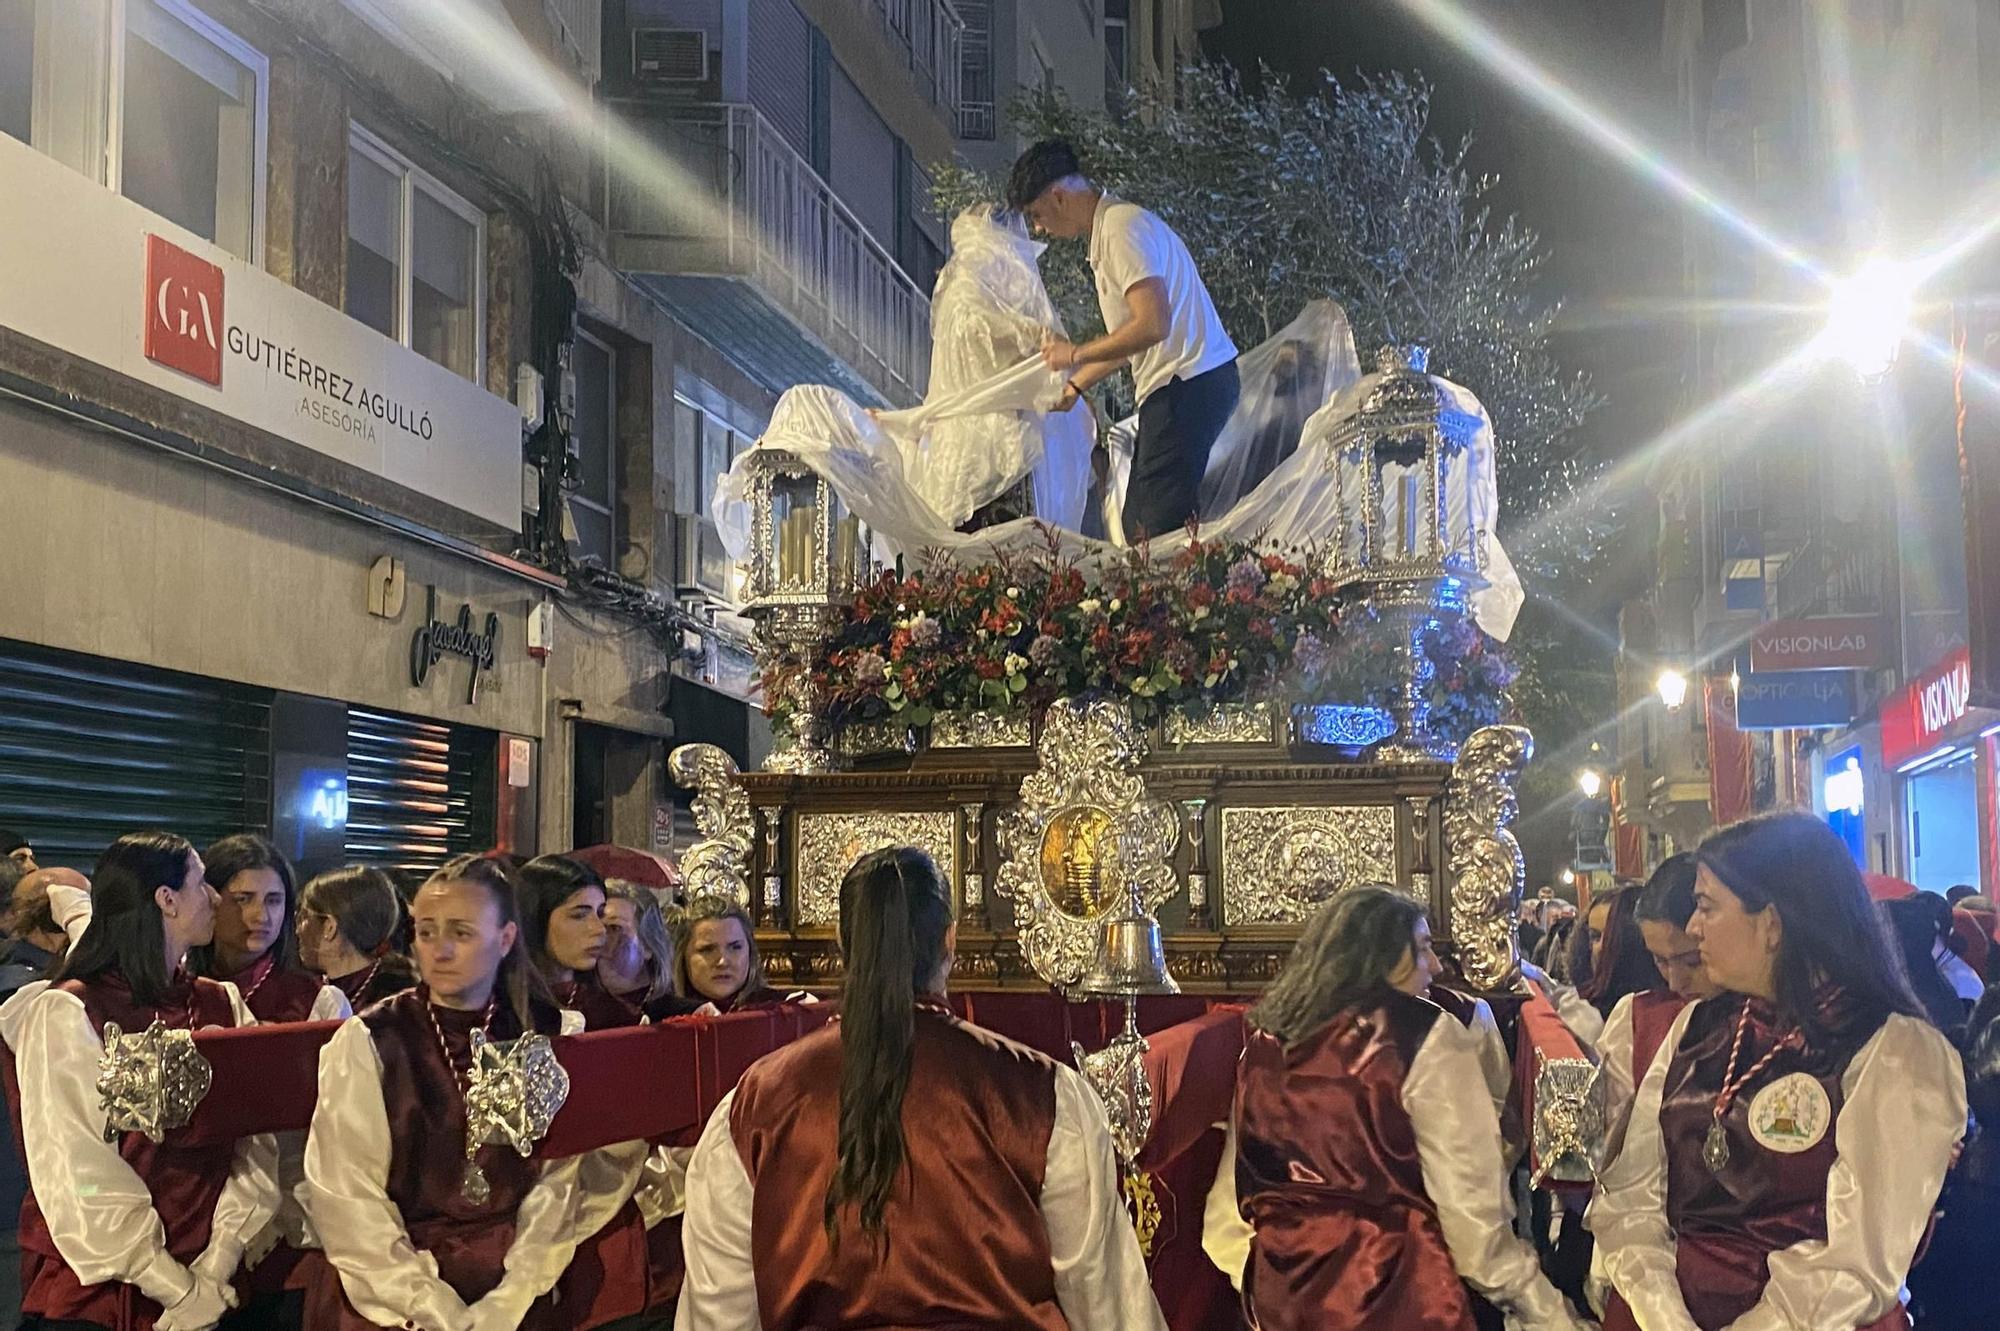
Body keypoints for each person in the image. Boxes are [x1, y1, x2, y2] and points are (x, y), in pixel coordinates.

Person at [677, 845, 1165, 1330]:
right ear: (950, 941)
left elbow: (720, 1313)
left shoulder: (755, 1106)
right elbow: (1106, 1302)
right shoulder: (1042, 1096)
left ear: (845, 945)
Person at [1593, 812, 1967, 1331]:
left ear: (1771, 923)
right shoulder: (1695, 1028)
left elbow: (1861, 1257)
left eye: (1706, 906)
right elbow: (1631, 1199)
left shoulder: (1895, 1049)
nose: (1694, 926)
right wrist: (1663, 1314)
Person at [1226, 887, 1583, 1331]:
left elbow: (1231, 1207)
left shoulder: (1261, 1045)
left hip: (1279, 1299)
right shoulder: (1424, 1035)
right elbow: (1474, 1227)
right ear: (1377, 955)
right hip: (1398, 1298)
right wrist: (1544, 1308)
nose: (1435, 965)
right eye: (1422, 949)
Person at [0, 830, 278, 1331]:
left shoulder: (222, 1002)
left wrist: (217, 1264)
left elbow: (256, 1141)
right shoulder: (69, 1011)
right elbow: (75, 1166)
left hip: (216, 1273)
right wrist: (172, 1285)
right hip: (107, 1286)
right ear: (166, 900)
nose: (215, 898)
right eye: (201, 884)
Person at [301, 852, 588, 1331]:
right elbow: (346, 1194)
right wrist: (432, 1304)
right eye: (426, 931)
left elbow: (561, 1182)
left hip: (516, 1291)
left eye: (461, 932)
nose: (440, 950)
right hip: (392, 1299)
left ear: (505, 939)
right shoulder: (369, 1040)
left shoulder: (551, 1032)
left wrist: (512, 1297)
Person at [1008, 138, 1240, 542]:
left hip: (1186, 384)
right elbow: (1131, 339)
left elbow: (1152, 324)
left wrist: (1074, 354)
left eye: (1037, 215)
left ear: (1058, 197)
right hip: (1188, 384)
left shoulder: (1121, 229)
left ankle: (1198, 601)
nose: (1040, 228)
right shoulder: (1112, 231)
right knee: (1146, 522)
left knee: (1149, 533)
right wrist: (1077, 383)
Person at [518, 854, 639, 1031]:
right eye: (579, 915)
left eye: (600, 914)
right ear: (534, 918)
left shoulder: (618, 1017)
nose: (600, 929)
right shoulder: (496, 1013)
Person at [296, 866, 417, 1010]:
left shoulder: (394, 1005)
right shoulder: (306, 993)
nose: (297, 930)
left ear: (329, 927)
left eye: (303, 917)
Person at [597, 881, 698, 1023]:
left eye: (614, 928)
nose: (599, 940)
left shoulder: (688, 1017)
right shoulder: (573, 1016)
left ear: (648, 945)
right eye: (596, 928)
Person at [674, 896, 787, 1013]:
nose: (722, 962)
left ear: (750, 952)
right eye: (707, 950)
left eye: (735, 947)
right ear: (682, 956)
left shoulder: (781, 1012)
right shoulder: (661, 1019)